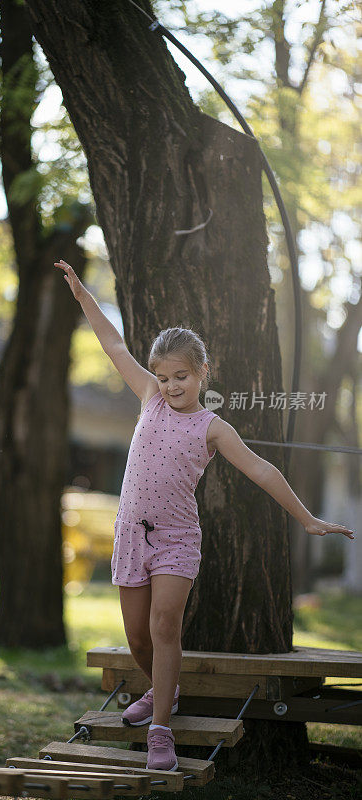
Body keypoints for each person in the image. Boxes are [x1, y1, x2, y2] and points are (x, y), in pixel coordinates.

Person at [54, 258, 356, 771]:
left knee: (165, 626)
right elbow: (114, 345)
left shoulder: (212, 428)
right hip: (131, 534)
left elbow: (262, 471)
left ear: (202, 374)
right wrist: (84, 297)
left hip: (175, 539)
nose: (171, 386)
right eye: (165, 376)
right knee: (137, 638)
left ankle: (160, 731)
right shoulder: (148, 397)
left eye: (182, 377)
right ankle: (160, 692)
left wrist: (307, 519)